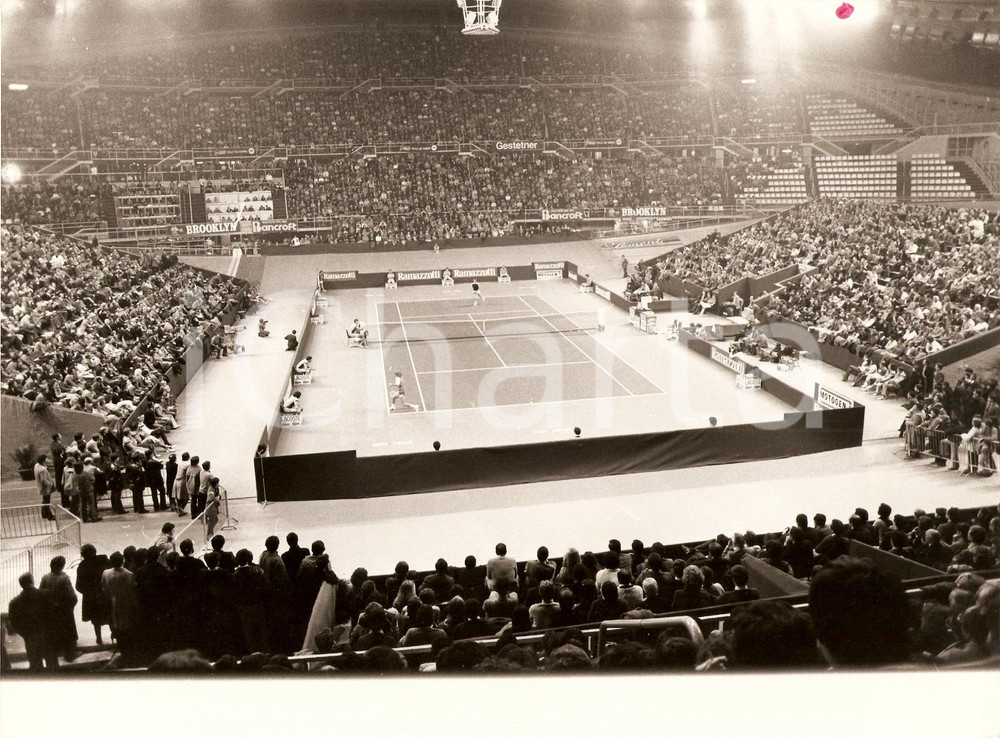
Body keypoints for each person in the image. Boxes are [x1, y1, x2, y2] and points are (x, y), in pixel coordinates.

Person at [8, 573, 57, 671]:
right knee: (52, 664)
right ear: (32, 581)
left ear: (21, 584)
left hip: (30, 636)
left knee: (35, 665)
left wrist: (25, 634)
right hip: (47, 634)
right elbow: (54, 615)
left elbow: (14, 623)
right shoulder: (45, 594)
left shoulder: (14, 602)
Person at [39, 555, 78, 662]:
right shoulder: (64, 579)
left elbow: (41, 592)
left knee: (55, 631)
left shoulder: (45, 578)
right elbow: (71, 595)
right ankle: (70, 654)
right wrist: (71, 606)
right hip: (64, 609)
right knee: (68, 631)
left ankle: (58, 650)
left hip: (50, 609)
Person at [75, 544, 112, 646]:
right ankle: (115, 635)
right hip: (104, 594)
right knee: (110, 615)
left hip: (91, 598)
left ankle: (98, 637)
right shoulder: (103, 560)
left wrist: (88, 593)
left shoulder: (82, 567)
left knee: (96, 619)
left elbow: (78, 586)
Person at [34, 453, 55, 521]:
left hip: (41, 487)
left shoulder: (37, 466)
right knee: (47, 501)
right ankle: (49, 515)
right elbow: (43, 480)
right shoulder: (42, 469)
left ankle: (44, 514)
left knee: (45, 500)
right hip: (45, 488)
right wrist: (50, 484)